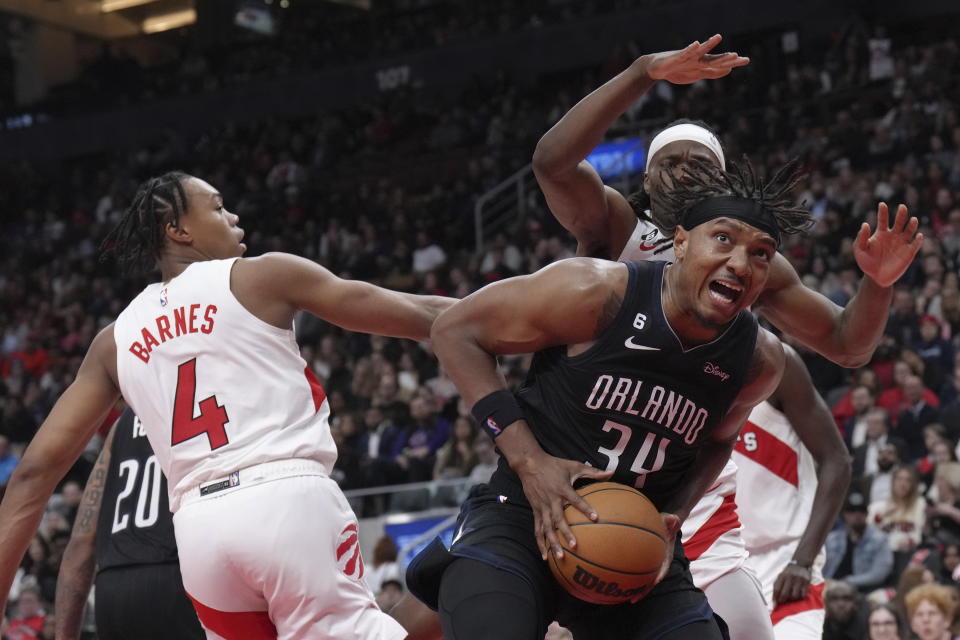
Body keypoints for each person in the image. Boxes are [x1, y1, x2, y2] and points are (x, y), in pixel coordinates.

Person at [531, 34, 918, 640]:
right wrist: (643, 73)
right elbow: (552, 161)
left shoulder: (748, 265)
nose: (684, 170)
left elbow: (848, 345)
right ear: (647, 178)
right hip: (581, 468)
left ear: (721, 181)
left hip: (687, 496)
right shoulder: (615, 225)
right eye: (669, 161)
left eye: (700, 164)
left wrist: (878, 284)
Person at [0, 171, 454, 639]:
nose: (233, 216)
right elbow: (421, 314)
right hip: (284, 500)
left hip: (200, 532)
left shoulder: (114, 340)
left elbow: (34, 473)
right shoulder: (262, 276)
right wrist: (522, 314)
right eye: (217, 207)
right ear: (177, 228)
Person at [406, 158, 802, 639]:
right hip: (523, 515)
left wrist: (669, 514)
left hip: (633, 544)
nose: (740, 263)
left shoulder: (757, 359)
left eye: (762, 253)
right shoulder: (596, 291)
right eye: (723, 239)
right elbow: (454, 331)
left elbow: (719, 441)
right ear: (679, 242)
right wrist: (530, 463)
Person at [728, 347, 851, 640]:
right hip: (717, 559)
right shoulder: (676, 375)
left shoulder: (776, 363)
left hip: (784, 565)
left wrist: (803, 561)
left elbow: (838, 460)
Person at [54, 408, 204, 640]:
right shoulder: (205, 399)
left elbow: (81, 541)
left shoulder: (121, 424)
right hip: (174, 576)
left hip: (113, 589)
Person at [824, 491, 894, 591]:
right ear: (844, 514)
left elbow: (880, 573)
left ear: (867, 514)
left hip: (862, 591)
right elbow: (820, 568)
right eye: (851, 510)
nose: (857, 515)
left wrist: (848, 581)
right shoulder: (831, 539)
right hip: (829, 589)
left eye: (861, 511)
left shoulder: (879, 539)